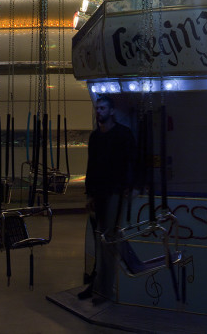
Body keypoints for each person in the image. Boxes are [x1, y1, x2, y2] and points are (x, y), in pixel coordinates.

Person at [79, 95, 136, 299]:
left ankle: (104, 287)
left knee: (107, 237)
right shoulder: (97, 137)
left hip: (114, 191)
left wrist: (128, 186)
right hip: (101, 192)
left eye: (102, 108)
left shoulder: (122, 135)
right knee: (102, 237)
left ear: (111, 111)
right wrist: (90, 194)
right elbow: (91, 167)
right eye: (97, 108)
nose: (99, 112)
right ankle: (101, 286)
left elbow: (131, 162)